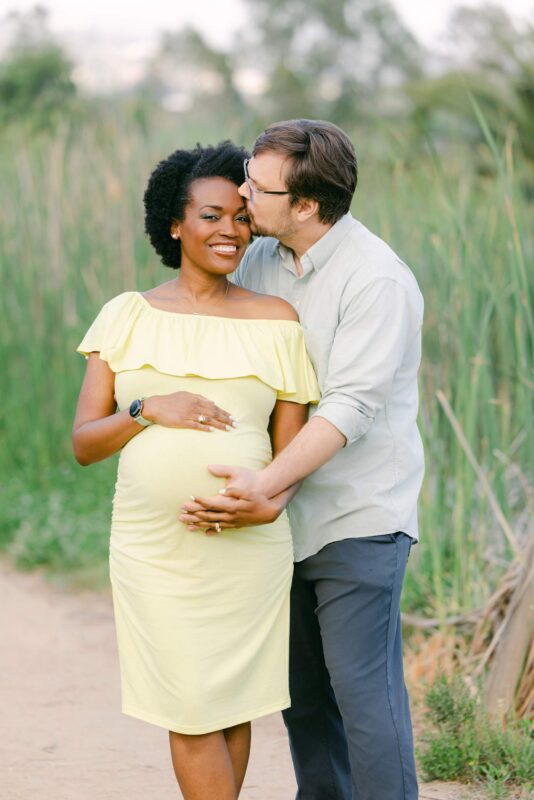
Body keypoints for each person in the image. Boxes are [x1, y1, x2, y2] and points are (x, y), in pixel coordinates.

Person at [180, 120, 425, 800]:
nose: (243, 195)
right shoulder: (260, 260)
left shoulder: (377, 280)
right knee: (304, 700)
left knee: (363, 697)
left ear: (308, 205)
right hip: (273, 520)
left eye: (258, 188)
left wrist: (267, 484)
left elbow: (348, 409)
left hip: (356, 515)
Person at [71, 141, 320, 800]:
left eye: (241, 217)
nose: (231, 231)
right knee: (189, 706)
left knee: (230, 704)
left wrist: (266, 502)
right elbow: (85, 443)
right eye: (211, 216)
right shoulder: (127, 315)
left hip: (248, 546)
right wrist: (149, 407)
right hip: (155, 551)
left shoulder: (278, 322)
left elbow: (291, 452)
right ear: (174, 224)